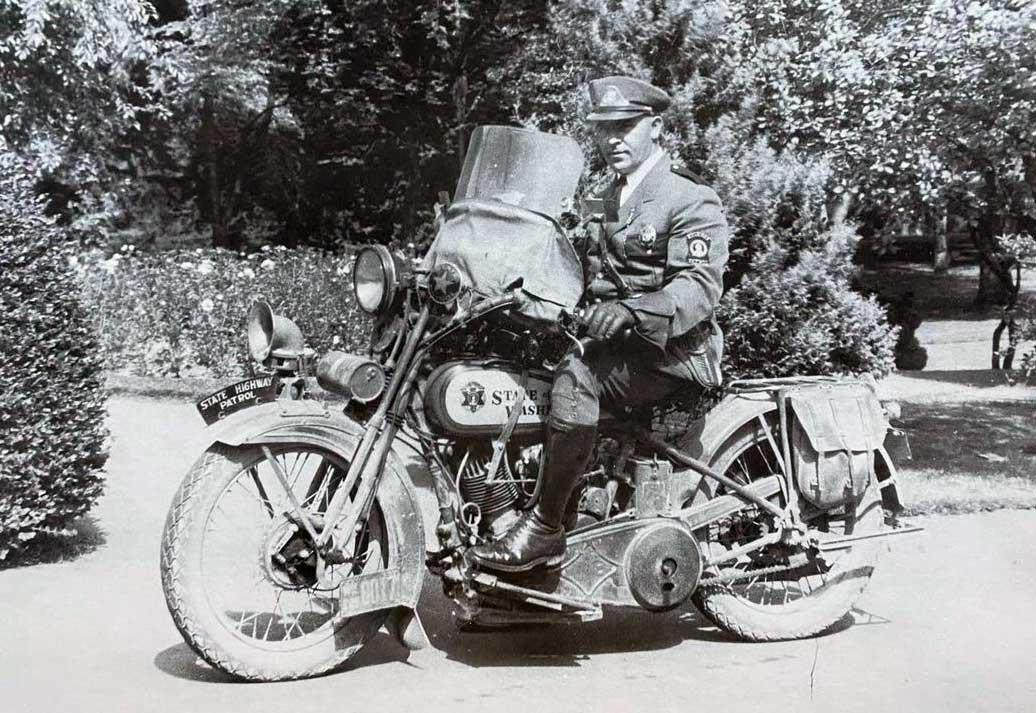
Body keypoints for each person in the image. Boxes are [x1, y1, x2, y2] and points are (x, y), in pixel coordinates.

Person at [469, 76, 730, 573]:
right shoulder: (604, 194)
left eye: (626, 126)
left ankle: (545, 529)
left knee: (576, 373)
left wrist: (633, 310)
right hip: (613, 343)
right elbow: (565, 250)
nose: (613, 138)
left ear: (654, 127)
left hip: (670, 354)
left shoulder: (689, 199)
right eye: (604, 128)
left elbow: (699, 287)